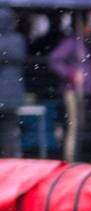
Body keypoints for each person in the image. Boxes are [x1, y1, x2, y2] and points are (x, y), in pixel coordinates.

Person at [49, 15, 91, 161]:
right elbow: (54, 59)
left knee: (79, 124)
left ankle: (78, 155)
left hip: (83, 91)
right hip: (73, 91)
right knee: (74, 124)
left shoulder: (84, 43)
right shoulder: (72, 43)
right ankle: (71, 158)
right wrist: (71, 74)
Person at [0, 6, 26, 158]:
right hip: (12, 95)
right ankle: (11, 162)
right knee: (10, 131)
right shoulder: (18, 40)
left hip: (8, 94)